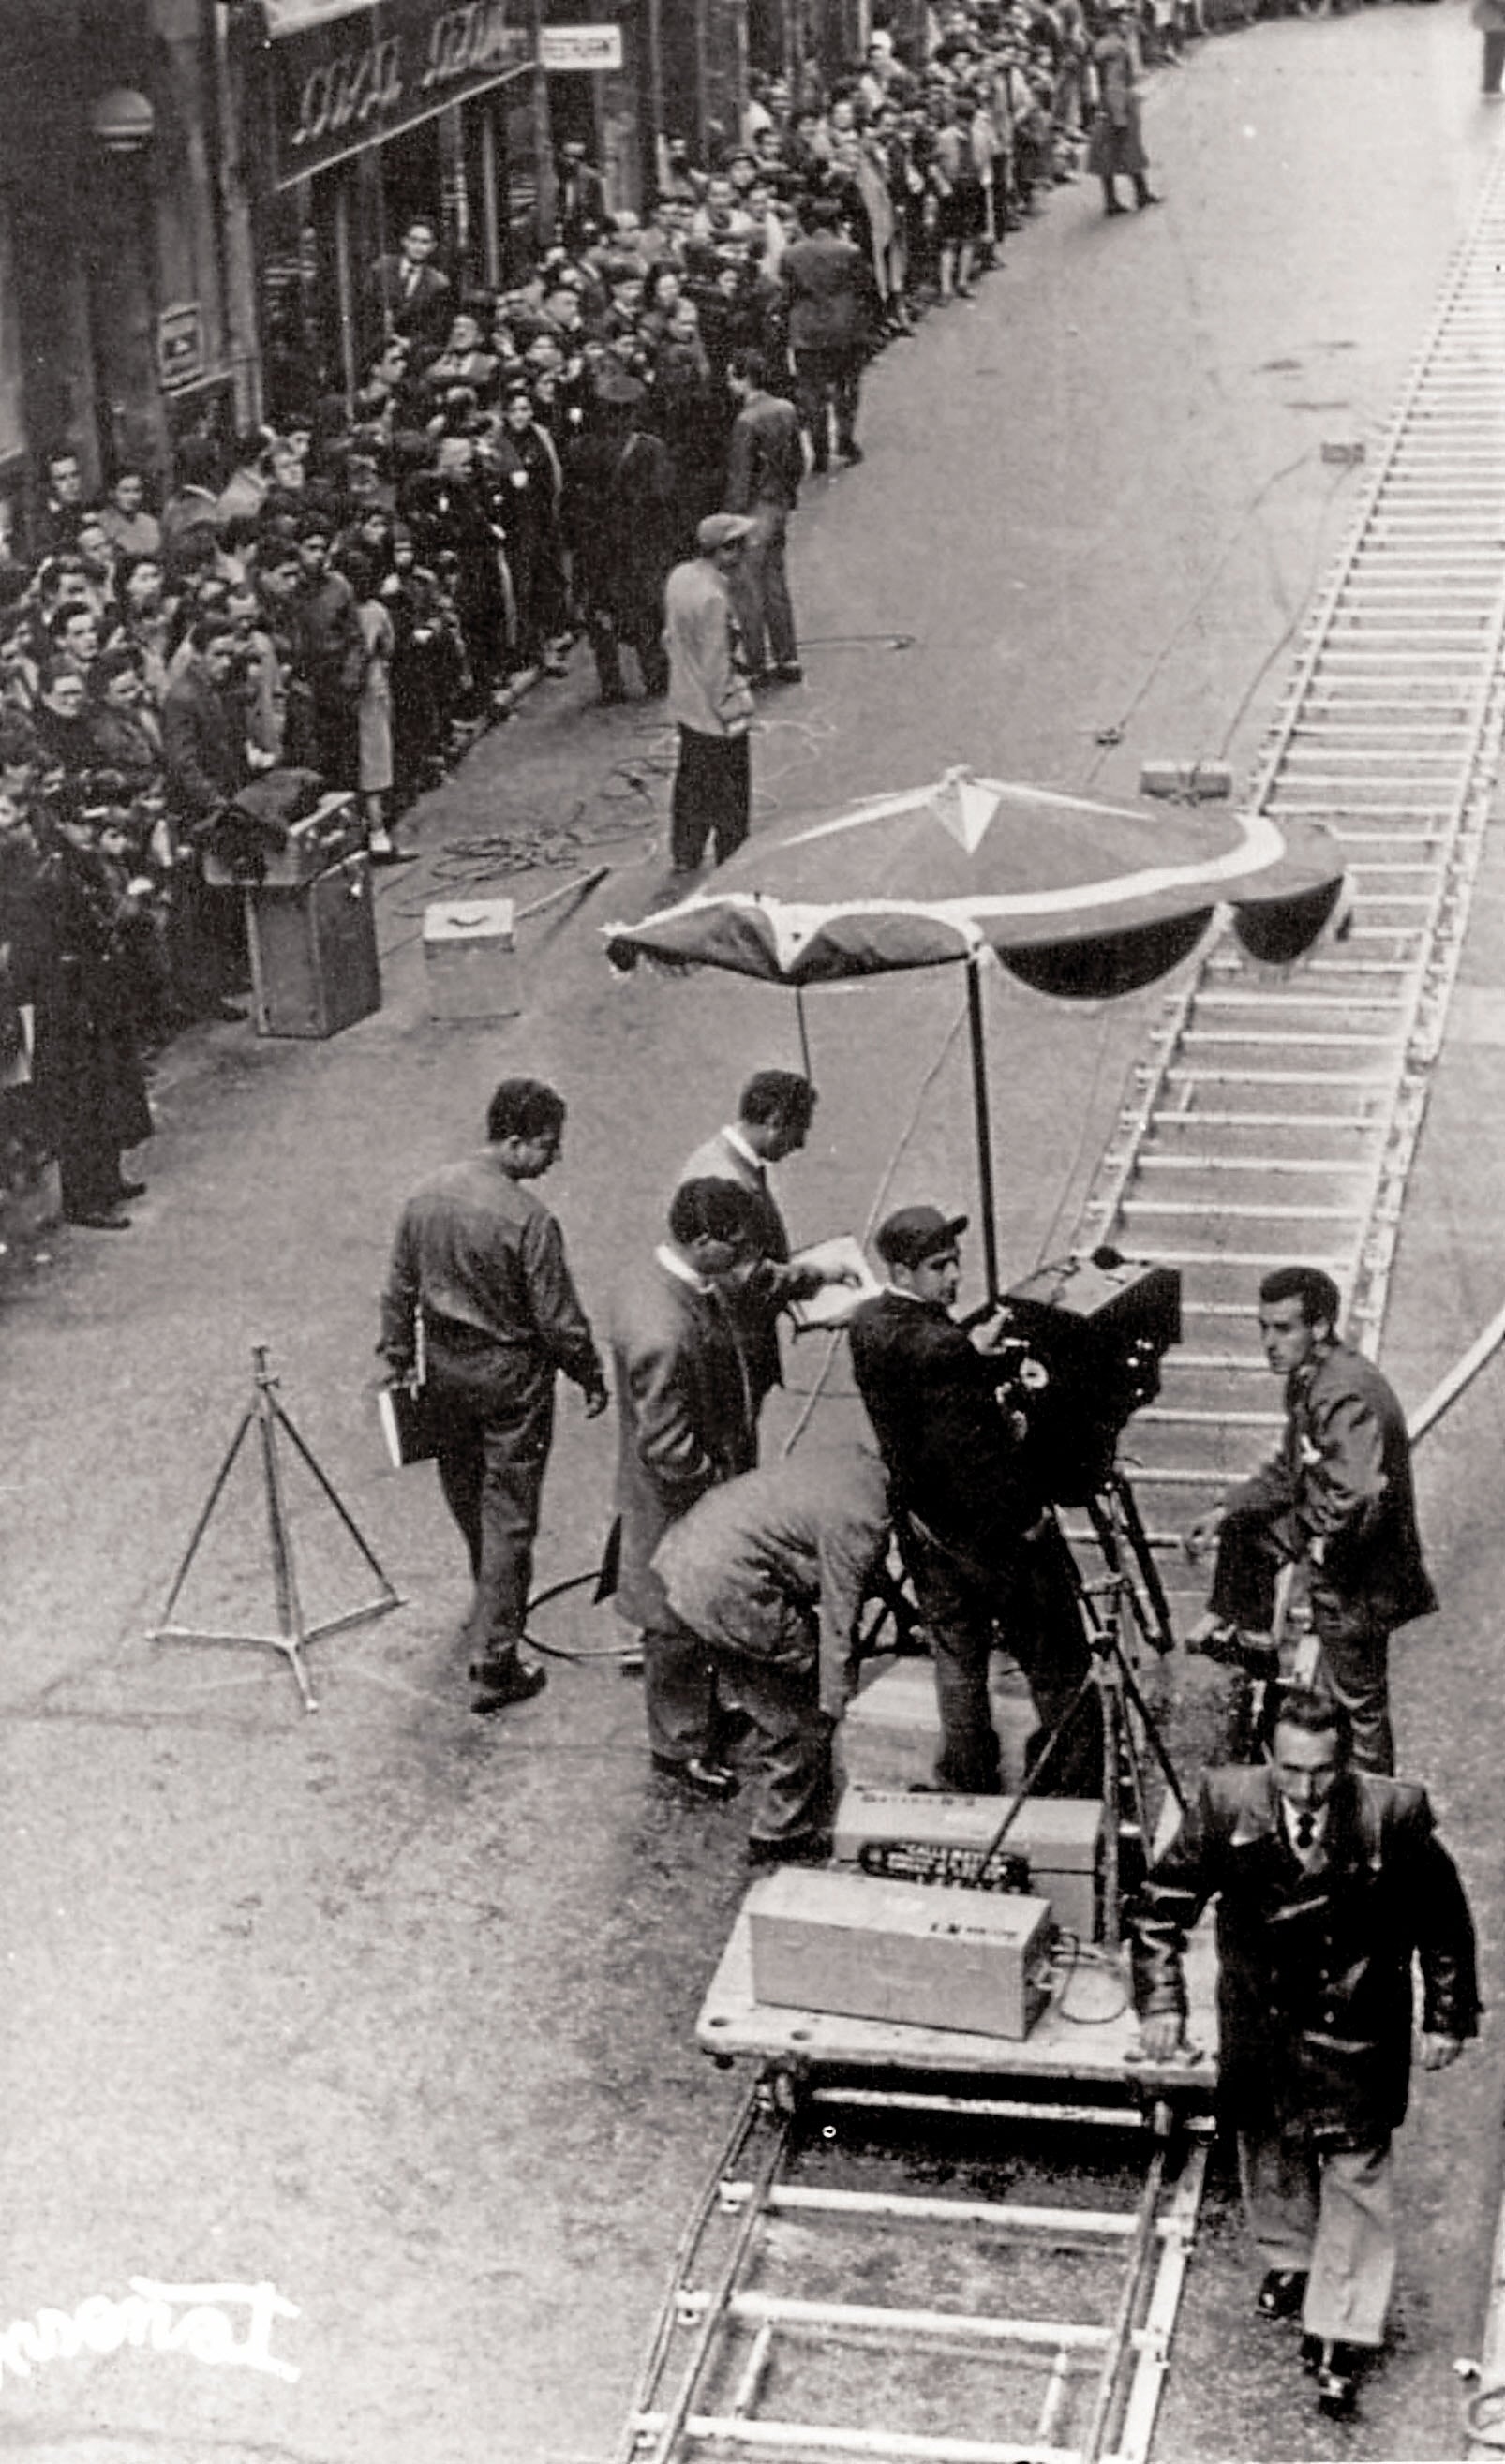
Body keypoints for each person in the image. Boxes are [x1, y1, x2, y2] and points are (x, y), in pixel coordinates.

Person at [1132, 1690, 1478, 2419]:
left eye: (1322, 1772)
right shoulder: (1226, 1805)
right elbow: (1162, 1907)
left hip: (1359, 2024)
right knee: (1272, 2149)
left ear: (1345, 1762)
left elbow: (1443, 1921)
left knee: (1355, 2169)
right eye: (1291, 1770)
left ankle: (1340, 2330)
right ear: (1268, 1758)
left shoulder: (1395, 1814)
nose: (1306, 1789)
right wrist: (1162, 2001)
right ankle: (1292, 2260)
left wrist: (1448, 2016)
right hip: (1263, 2023)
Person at [849, 1205, 1102, 1797]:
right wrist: (1032, 1518)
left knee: (958, 1659)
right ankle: (1069, 1776)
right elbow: (976, 1455)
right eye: (940, 1267)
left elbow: (928, 1382)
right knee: (1057, 1654)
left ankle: (966, 1775)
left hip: (925, 1528)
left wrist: (970, 1353)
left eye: (956, 1262)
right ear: (904, 1270)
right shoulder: (943, 1348)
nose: (955, 1278)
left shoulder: (869, 1325)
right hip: (993, 1537)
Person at [380, 1077, 609, 1715]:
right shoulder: (529, 1220)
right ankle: (496, 1660)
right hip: (511, 1381)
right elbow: (559, 1319)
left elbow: (398, 1287)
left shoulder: (425, 1195)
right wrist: (589, 1374)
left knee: (465, 1490)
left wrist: (397, 1357)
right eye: (546, 1145)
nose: (554, 1158)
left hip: (444, 1372)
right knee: (510, 1514)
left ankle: (489, 1596)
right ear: (514, 1140)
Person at [1185, 1266, 1435, 1776]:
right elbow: (1289, 1471)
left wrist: (1300, 1542)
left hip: (1360, 1579)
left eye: (1283, 1329)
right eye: (1263, 1328)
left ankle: (1370, 1830)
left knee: (1356, 1709)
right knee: (1245, 1531)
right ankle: (1251, 1641)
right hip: (1342, 1565)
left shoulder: (1341, 1392)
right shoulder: (1313, 1380)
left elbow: (1358, 1491)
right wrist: (1227, 1507)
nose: (1269, 1343)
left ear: (1319, 1327)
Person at [655, 1443, 891, 1863]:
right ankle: (782, 1831)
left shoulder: (853, 1463)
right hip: (726, 1589)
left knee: (767, 1679)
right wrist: (836, 1704)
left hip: (691, 1553)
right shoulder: (863, 1520)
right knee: (800, 1705)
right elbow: (841, 1619)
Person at [610, 1177, 764, 1799]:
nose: (742, 1259)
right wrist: (716, 1495)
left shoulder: (659, 1280)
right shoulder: (664, 1333)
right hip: (678, 1499)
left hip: (685, 1480)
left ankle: (698, 1715)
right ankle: (679, 1746)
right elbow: (670, 1450)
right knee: (674, 1616)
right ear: (702, 1242)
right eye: (735, 1247)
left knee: (690, 1615)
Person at [677, 1069, 834, 1421]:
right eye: (800, 1130)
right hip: (730, 1348)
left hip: (731, 1338)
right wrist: (821, 1277)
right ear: (776, 1121)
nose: (801, 1144)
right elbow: (744, 1275)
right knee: (735, 1452)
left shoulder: (723, 1159)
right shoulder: (725, 1177)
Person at [663, 513, 755, 880]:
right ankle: (732, 858)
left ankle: (685, 850)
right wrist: (733, 710)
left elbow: (668, 637)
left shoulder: (680, 578)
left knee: (690, 781)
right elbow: (717, 665)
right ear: (725, 551)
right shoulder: (715, 598)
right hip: (712, 712)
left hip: (685, 701)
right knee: (731, 791)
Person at [723, 349, 805, 688]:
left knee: (747, 587)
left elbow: (740, 476)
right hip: (779, 503)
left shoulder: (746, 421)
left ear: (743, 379)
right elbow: (797, 461)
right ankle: (787, 655)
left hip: (754, 508)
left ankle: (756, 659)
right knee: (775, 582)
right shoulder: (785, 409)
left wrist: (731, 518)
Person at [780, 196, 871, 473]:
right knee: (847, 384)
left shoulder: (791, 254)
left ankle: (819, 449)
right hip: (844, 327)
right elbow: (864, 287)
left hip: (806, 329)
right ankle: (844, 438)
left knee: (812, 390)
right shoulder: (850, 251)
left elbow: (788, 291)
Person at [1086, 3, 1159, 215]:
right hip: (1117, 102)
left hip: (1105, 103)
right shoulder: (1117, 47)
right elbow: (1114, 81)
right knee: (1129, 148)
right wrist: (1119, 112)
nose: (1128, 25)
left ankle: (1111, 200)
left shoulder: (1102, 45)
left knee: (1105, 152)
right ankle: (1141, 193)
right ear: (1116, 23)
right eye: (1125, 21)